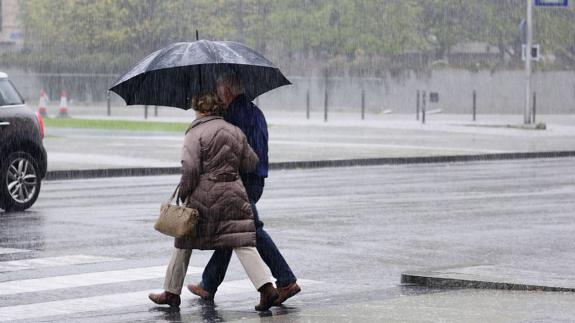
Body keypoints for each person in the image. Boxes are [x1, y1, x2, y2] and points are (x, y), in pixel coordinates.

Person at [148, 93, 278, 311]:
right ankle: (267, 289)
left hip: (204, 197)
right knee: (241, 241)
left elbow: (189, 168)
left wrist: (185, 190)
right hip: (234, 194)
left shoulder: (195, 132)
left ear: (197, 108)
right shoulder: (234, 130)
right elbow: (251, 162)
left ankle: (171, 292)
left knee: (183, 240)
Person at [187, 74, 300, 306]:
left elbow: (232, 153)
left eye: (219, 92)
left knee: (252, 231)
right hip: (255, 179)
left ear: (227, 92)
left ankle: (285, 280)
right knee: (232, 230)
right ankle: (208, 284)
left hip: (243, 181)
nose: (217, 96)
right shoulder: (253, 111)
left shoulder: (232, 116)